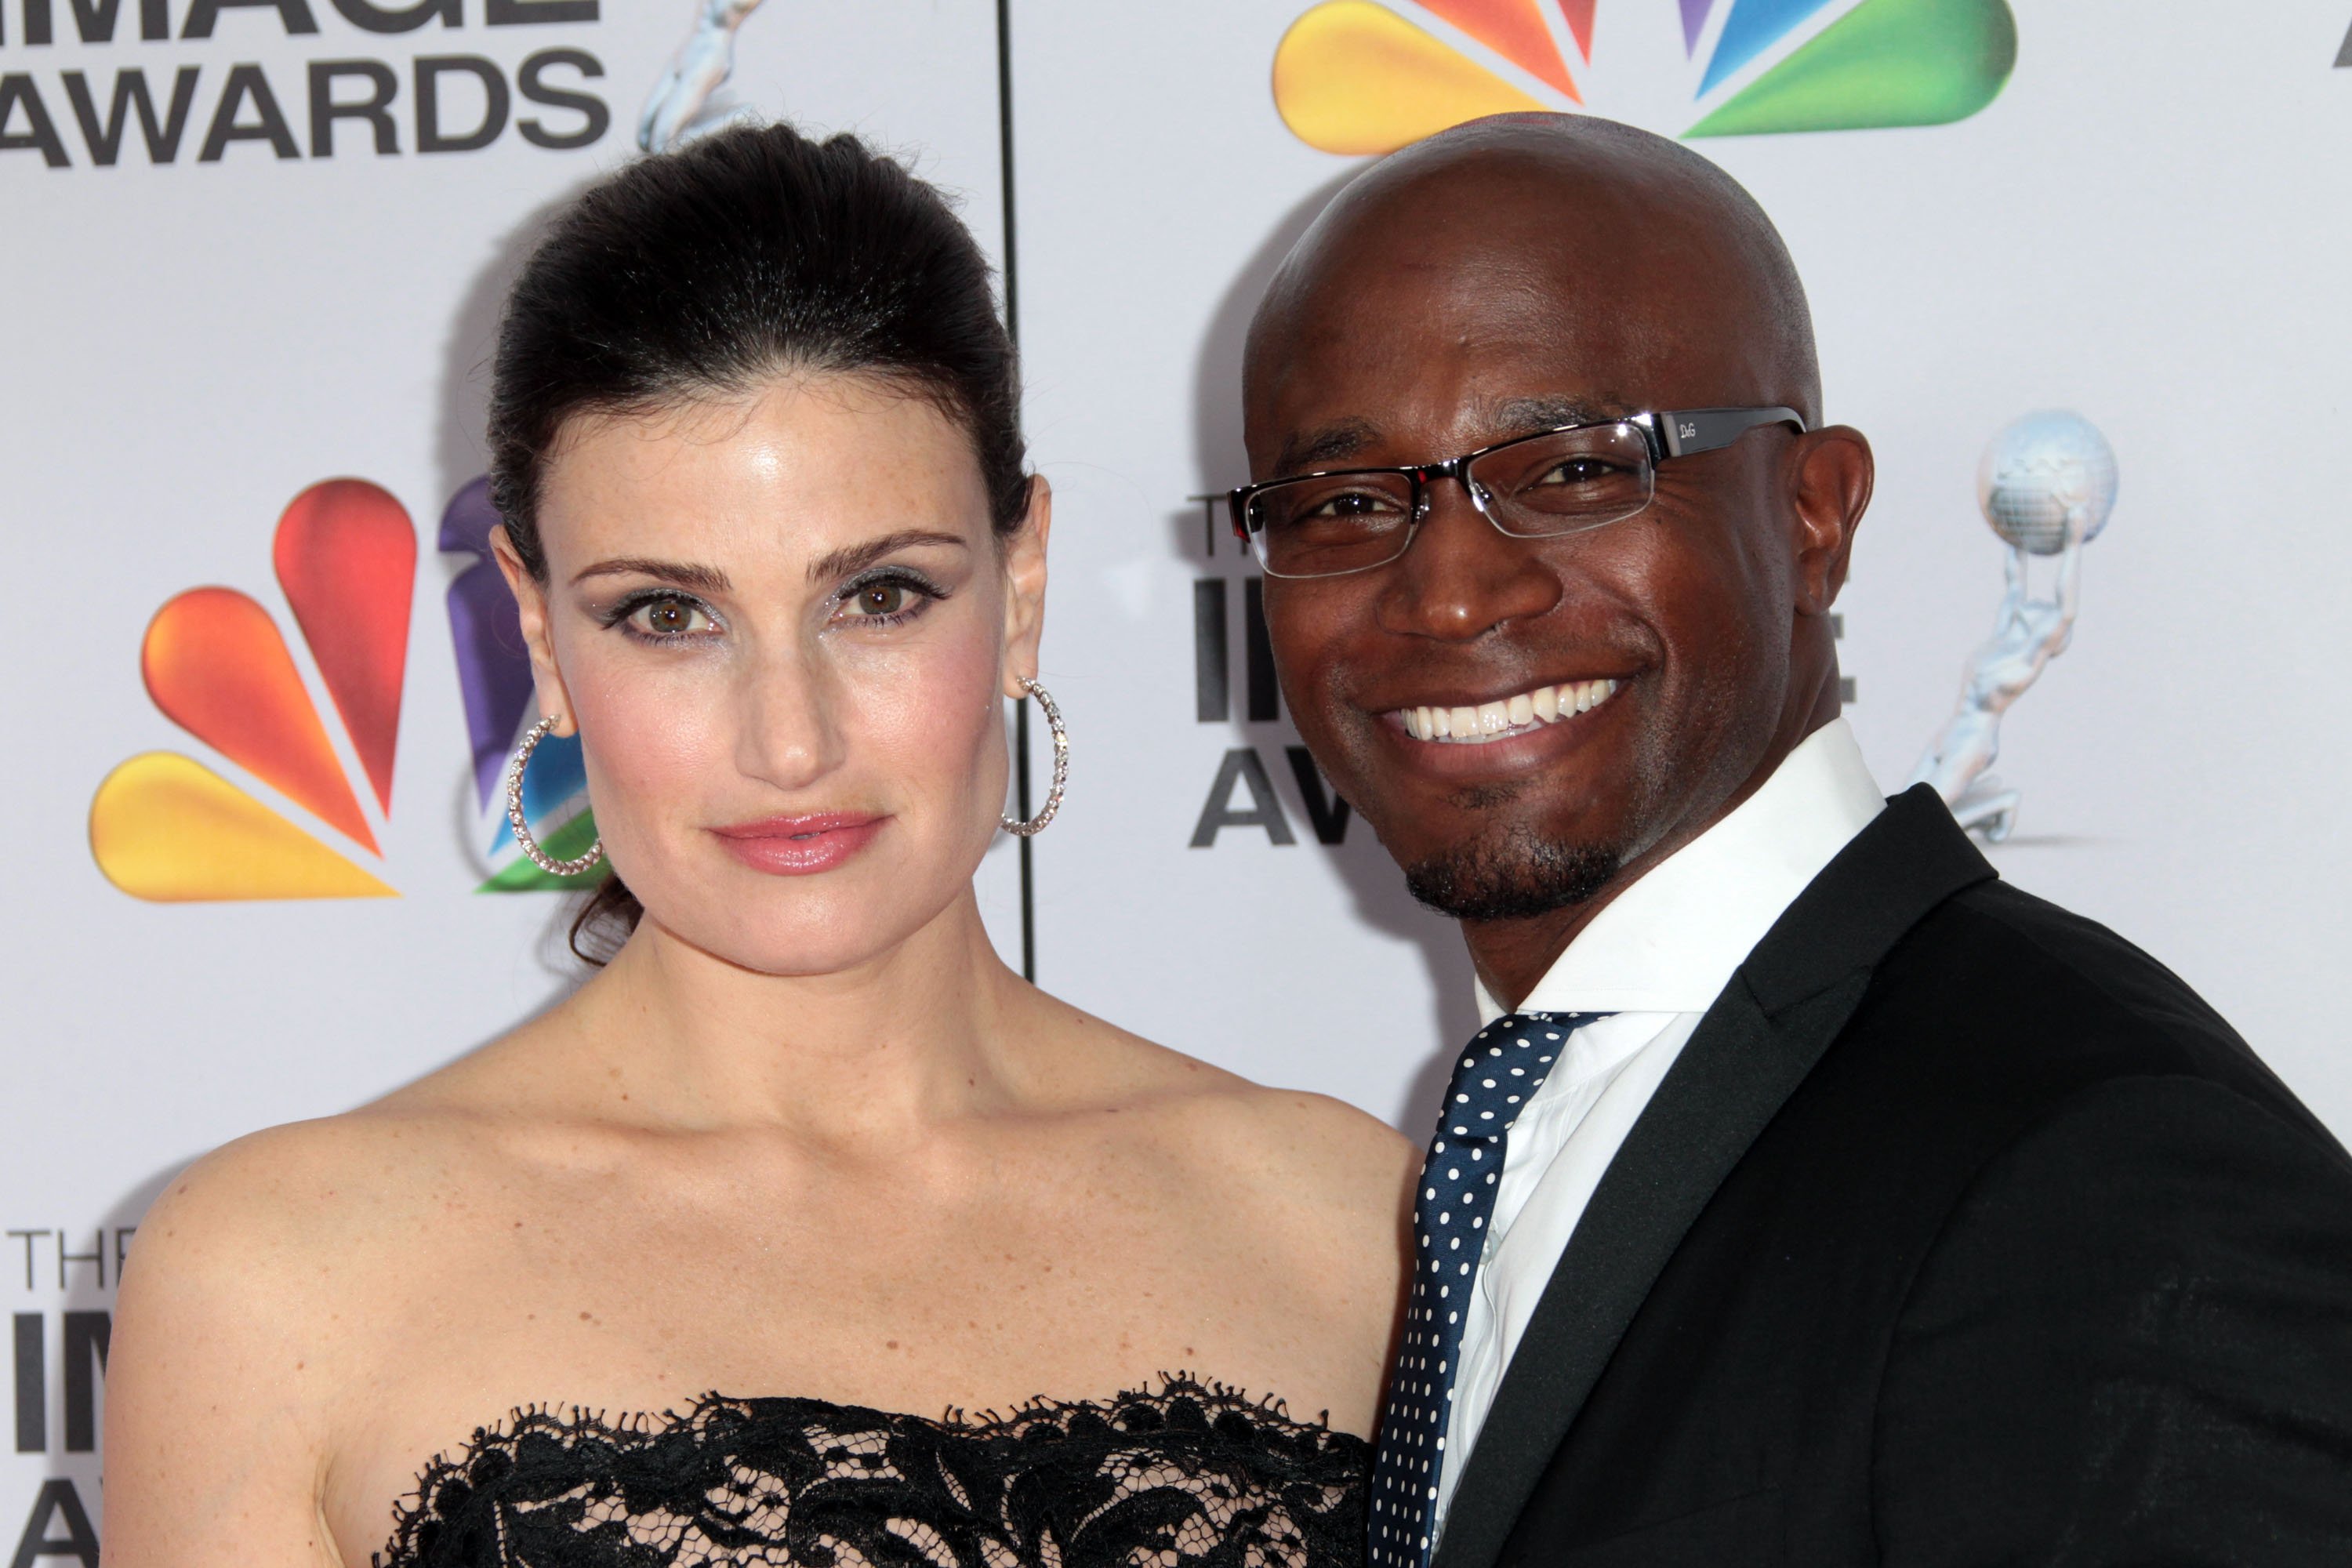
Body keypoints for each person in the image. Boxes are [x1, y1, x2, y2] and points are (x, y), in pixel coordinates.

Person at [103, 124, 1414, 1568]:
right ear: (539, 633)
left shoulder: (1353, 1228)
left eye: (882, 597)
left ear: (1022, 585)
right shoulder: (282, 1279)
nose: (787, 743)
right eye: (667, 616)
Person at [1232, 112, 2352, 1566]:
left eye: (1573, 468)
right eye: (1348, 502)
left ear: (1815, 515)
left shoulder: (2100, 1174)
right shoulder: (1518, 1130)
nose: (1448, 593)